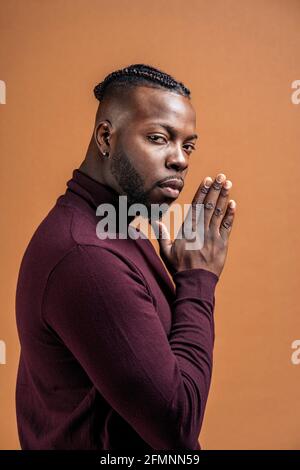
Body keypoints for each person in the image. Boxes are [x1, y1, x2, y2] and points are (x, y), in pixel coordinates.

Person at [15, 63, 236, 450]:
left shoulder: (113, 227)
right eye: (158, 137)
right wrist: (197, 280)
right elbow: (175, 426)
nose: (181, 160)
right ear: (106, 136)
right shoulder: (86, 256)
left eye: (187, 145)